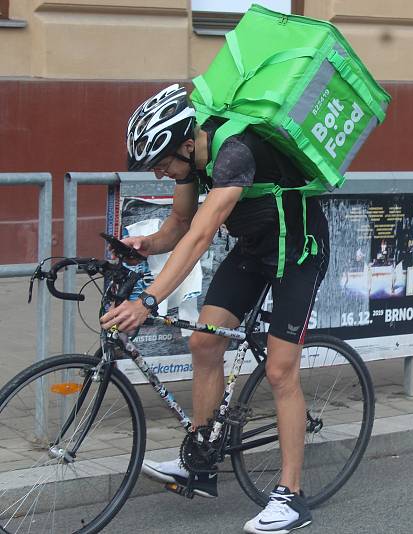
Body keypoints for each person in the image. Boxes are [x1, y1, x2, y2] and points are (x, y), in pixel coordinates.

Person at [101, 84, 328, 534]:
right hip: (254, 248)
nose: (163, 175)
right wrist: (145, 245)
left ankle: (291, 497)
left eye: (164, 164)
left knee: (282, 370)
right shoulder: (190, 159)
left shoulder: (235, 152)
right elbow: (179, 226)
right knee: (204, 341)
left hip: (297, 252)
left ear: (188, 142)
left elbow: (201, 237)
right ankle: (201, 460)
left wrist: (148, 300)